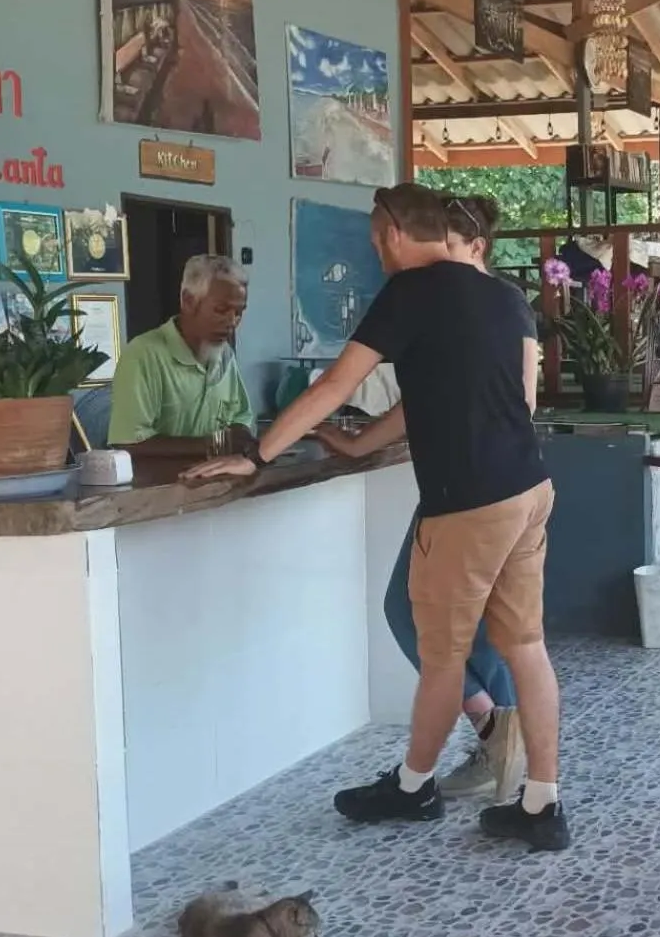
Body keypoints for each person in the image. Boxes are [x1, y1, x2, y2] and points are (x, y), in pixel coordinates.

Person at [185, 186, 568, 852]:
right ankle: (542, 803)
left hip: (467, 502)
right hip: (528, 488)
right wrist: (362, 444)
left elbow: (335, 385)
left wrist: (257, 454)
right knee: (525, 646)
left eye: (374, 240)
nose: (375, 253)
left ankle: (413, 788)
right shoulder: (506, 297)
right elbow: (482, 396)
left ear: (392, 232)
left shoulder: (411, 292)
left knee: (442, 656)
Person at [315, 403, 528, 804]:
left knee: (407, 609)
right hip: (513, 478)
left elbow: (413, 395)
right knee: (481, 625)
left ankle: (495, 732)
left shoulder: (443, 340)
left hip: (460, 490)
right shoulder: (513, 336)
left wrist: (350, 441)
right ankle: (499, 750)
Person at [108, 255, 258, 457]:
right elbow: (128, 444)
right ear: (188, 301)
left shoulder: (224, 355)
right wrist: (215, 445)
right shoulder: (143, 355)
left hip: (219, 484)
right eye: (221, 310)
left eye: (239, 312)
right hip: (160, 486)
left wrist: (241, 436)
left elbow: (242, 416)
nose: (232, 322)